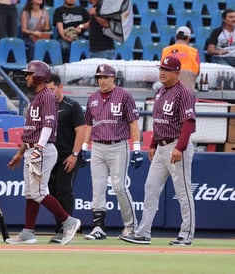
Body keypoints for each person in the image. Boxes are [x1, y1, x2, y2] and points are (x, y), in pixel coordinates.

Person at [119, 56, 196, 246]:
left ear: (177, 73)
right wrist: (153, 144)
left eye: (167, 70)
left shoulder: (184, 93)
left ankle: (186, 234)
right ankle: (143, 233)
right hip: (162, 146)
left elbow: (189, 123)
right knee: (150, 187)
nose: (162, 72)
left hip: (177, 145)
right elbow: (159, 121)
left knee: (183, 191)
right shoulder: (161, 92)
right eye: (161, 68)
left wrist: (180, 147)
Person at [6, 60, 81, 245]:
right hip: (32, 148)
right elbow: (32, 128)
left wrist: (38, 147)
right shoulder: (36, 97)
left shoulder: (47, 96)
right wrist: (22, 151)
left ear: (39, 75)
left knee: (39, 192)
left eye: (29, 74)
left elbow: (48, 124)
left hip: (43, 149)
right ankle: (28, 232)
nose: (26, 77)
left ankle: (69, 221)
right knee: (31, 193)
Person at [82, 63, 142, 240]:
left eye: (105, 77)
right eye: (99, 77)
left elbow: (133, 122)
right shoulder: (92, 97)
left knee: (119, 186)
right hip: (98, 146)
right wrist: (84, 148)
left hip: (118, 145)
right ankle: (99, 228)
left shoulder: (124, 96)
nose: (102, 80)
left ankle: (131, 227)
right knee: (98, 188)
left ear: (113, 78)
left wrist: (136, 148)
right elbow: (89, 124)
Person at [46, 73, 85, 243]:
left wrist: (74, 155)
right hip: (49, 157)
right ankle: (60, 228)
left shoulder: (72, 106)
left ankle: (67, 229)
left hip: (67, 156)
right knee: (52, 192)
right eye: (47, 90)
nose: (50, 93)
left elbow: (81, 131)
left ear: (61, 87)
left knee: (64, 191)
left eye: (52, 89)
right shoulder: (45, 106)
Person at [161, 26, 200, 92]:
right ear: (188, 38)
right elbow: (198, 72)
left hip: (169, 93)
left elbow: (162, 72)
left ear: (176, 37)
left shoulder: (166, 50)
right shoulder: (194, 52)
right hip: (187, 92)